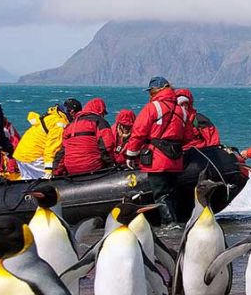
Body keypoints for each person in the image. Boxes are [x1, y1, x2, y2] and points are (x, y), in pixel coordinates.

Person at [125, 77, 187, 223]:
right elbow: (187, 136)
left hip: (157, 159)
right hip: (176, 159)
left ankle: (170, 224)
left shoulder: (153, 108)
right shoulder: (181, 111)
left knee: (161, 193)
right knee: (172, 193)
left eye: (151, 91)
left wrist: (131, 154)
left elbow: (139, 131)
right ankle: (175, 221)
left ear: (156, 90)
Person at [14, 98, 81, 179]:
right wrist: (49, 170)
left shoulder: (52, 116)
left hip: (22, 154)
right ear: (72, 112)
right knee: (46, 183)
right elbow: (52, 149)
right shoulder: (60, 125)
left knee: (27, 180)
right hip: (33, 158)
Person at [53, 98, 115, 176]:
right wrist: (112, 165)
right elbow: (107, 146)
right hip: (93, 167)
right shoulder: (100, 122)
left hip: (71, 169)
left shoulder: (70, 125)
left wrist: (56, 172)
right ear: (100, 112)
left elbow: (62, 152)